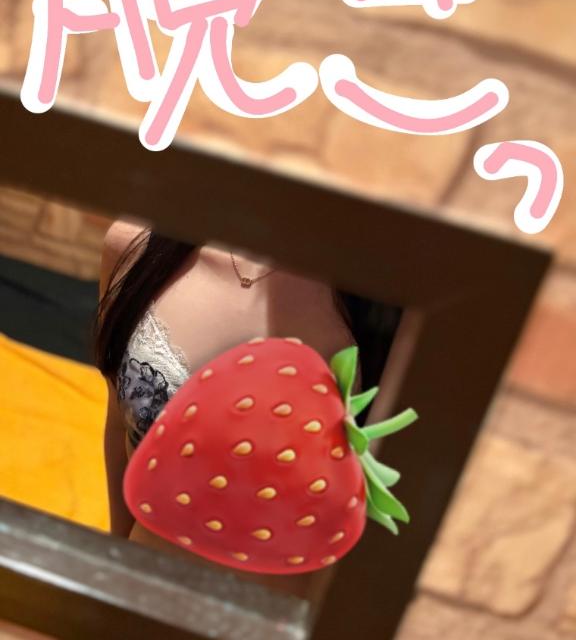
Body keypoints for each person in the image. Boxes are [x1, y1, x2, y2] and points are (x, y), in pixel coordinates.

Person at [94, 219, 401, 598]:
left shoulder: (395, 308)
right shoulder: (135, 246)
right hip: (140, 594)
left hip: (291, 614)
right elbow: (119, 425)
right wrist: (114, 566)